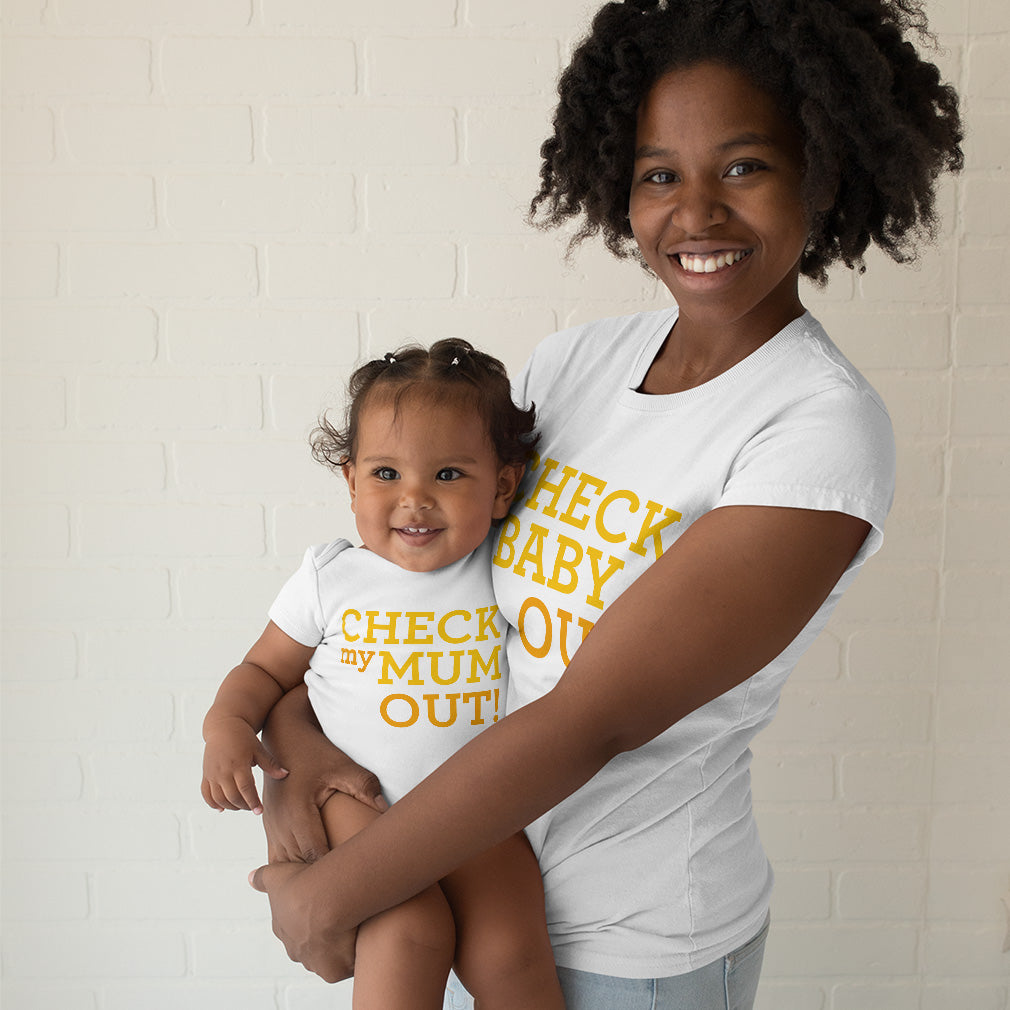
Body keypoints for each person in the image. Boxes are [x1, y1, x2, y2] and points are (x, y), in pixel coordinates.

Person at [249, 2, 964, 1008]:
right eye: (659, 174)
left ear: (823, 168)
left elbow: (592, 715)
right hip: (464, 885)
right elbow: (404, 594)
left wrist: (329, 895)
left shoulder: (817, 429)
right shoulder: (575, 363)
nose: (697, 212)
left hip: (632, 941)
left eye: (744, 166)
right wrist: (301, 748)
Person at [201, 339, 565, 1010]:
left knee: (511, 954)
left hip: (474, 805)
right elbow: (263, 668)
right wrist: (225, 725)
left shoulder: (508, 570)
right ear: (350, 481)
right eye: (387, 474)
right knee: (408, 931)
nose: (415, 499)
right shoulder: (332, 578)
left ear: (503, 486)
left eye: (449, 475)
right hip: (360, 803)